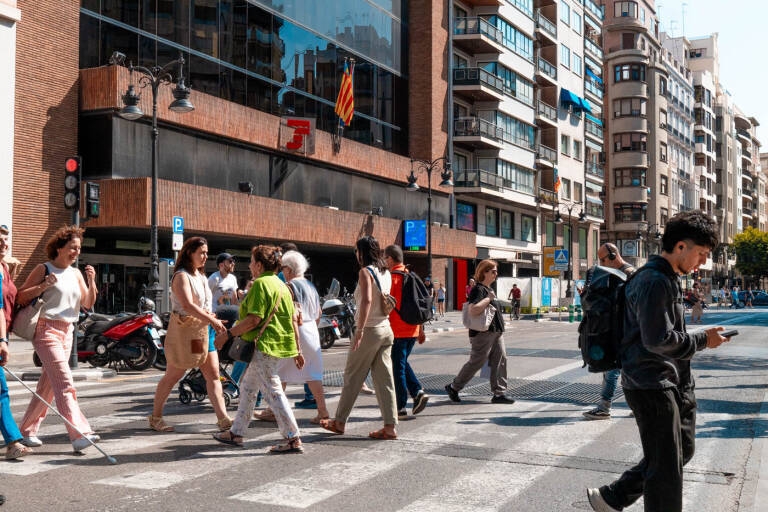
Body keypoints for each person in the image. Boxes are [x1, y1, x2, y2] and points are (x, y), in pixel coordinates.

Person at [587, 210, 732, 512]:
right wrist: (705, 339)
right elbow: (658, 340)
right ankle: (615, 497)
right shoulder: (655, 281)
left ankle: (613, 497)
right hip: (651, 382)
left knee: (680, 451)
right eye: (701, 254)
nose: (702, 262)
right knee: (665, 469)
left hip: (672, 380)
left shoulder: (663, 276)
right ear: (681, 246)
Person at [213, 245, 305, 453]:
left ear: (260, 265)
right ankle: (236, 433)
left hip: (263, 345)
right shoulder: (282, 286)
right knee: (247, 388)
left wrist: (227, 334)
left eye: (252, 262)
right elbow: (292, 320)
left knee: (272, 391)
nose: (250, 266)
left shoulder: (260, 284)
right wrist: (298, 350)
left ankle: (292, 437)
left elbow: (254, 319)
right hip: (278, 344)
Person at [16, 225, 100, 452]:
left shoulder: (76, 273)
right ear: (60, 248)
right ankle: (79, 433)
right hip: (46, 329)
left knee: (48, 386)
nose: (76, 252)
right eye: (73, 248)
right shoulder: (44, 268)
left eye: (79, 248)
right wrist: (44, 285)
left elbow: (88, 303)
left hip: (68, 330)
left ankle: (26, 431)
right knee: (64, 382)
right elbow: (21, 296)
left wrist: (91, 281)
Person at [148, 237, 232, 433]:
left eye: (206, 253)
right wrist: (212, 320)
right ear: (189, 253)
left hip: (203, 332)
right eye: (201, 253)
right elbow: (187, 306)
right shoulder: (181, 276)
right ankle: (156, 416)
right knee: (173, 375)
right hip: (188, 333)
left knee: (212, 374)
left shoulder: (201, 277)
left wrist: (211, 318)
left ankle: (223, 418)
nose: (205, 257)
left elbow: (201, 306)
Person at [319, 235, 398, 440]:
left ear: (361, 252)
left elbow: (367, 301)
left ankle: (339, 421)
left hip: (370, 330)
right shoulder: (385, 271)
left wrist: (360, 330)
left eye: (356, 251)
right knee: (384, 380)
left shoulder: (365, 272)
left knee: (352, 377)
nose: (355, 254)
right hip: (386, 329)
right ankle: (390, 426)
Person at [257, 250, 330, 423]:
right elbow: (318, 312)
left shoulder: (289, 286)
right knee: (313, 374)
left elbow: (289, 313)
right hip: (312, 330)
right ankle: (323, 411)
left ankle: (273, 410)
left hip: (296, 331)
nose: (282, 271)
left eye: (283, 268)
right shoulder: (310, 286)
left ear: (289, 269)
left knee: (279, 372)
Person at [445, 260, 514, 405]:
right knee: (476, 362)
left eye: (496, 271)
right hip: (483, 334)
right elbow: (473, 309)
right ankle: (454, 387)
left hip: (496, 332)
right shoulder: (479, 290)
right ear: (484, 272)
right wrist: (489, 299)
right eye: (493, 271)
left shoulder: (488, 289)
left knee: (501, 360)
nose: (496, 274)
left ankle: (499, 393)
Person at [582, 243, 635, 421]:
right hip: (617, 331)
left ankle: (605, 407)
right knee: (621, 370)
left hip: (626, 332)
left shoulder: (630, 274)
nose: (602, 262)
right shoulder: (611, 275)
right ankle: (637, 406)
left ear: (613, 256)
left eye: (603, 259)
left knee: (614, 369)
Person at [384, 245, 429, 419]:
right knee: (401, 363)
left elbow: (386, 306)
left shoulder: (392, 278)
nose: (384, 262)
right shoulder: (412, 275)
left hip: (397, 330)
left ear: (390, 259)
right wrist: (421, 329)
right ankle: (417, 392)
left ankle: (401, 406)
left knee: (398, 368)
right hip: (413, 329)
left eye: (385, 258)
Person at [0, 224, 32, 459]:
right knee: (1, 391)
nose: (4, 243)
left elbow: (13, 299)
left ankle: (13, 441)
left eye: (5, 239)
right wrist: (2, 340)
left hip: (4, 333)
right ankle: (13, 440)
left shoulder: (4, 268)